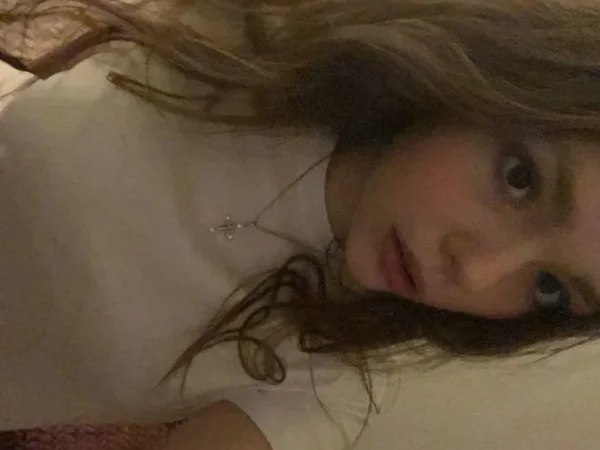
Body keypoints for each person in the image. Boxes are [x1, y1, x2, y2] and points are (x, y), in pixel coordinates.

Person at [2, 0, 600, 449]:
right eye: (520, 179)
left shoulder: (339, 365)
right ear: (492, 78)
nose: (475, 271)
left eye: (549, 287)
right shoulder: (257, 37)